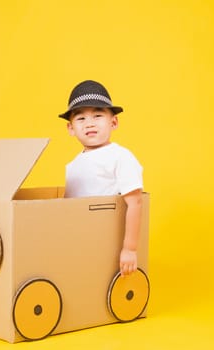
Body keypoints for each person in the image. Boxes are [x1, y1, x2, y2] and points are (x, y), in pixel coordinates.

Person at [59, 80, 143, 277]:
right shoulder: (74, 164)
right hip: (78, 239)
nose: (89, 123)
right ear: (71, 128)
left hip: (104, 241)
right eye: (81, 119)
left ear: (113, 122)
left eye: (97, 115)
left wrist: (130, 249)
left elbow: (136, 202)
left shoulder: (120, 157)